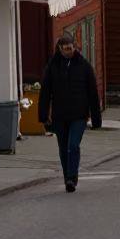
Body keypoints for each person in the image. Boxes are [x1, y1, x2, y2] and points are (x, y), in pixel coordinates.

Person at [38, 33, 102, 192]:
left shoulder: (84, 66)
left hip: (79, 114)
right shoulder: (53, 66)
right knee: (63, 147)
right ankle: (67, 177)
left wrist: (96, 118)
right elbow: (45, 91)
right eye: (65, 49)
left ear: (75, 46)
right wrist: (43, 115)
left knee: (73, 145)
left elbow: (92, 93)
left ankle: (73, 176)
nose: (68, 51)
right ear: (60, 49)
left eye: (70, 48)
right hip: (60, 114)